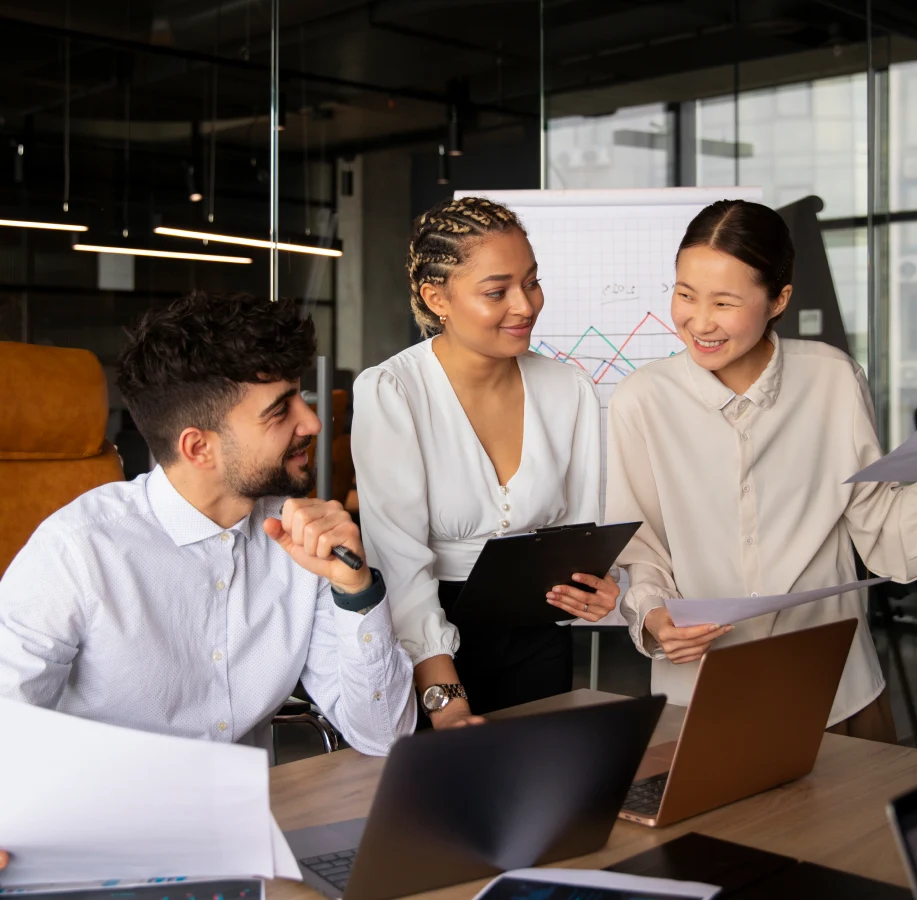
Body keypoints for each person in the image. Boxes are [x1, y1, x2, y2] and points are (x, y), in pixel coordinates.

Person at [606, 199, 917, 742]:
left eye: (724, 302)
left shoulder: (833, 378)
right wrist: (655, 619)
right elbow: (639, 547)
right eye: (684, 295)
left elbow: (878, 519)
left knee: (854, 826)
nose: (699, 322)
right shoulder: (641, 399)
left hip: (835, 686)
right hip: (703, 691)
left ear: (778, 300)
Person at [0, 292, 416, 757]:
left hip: (256, 815)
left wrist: (355, 588)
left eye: (301, 397)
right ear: (199, 448)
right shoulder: (76, 552)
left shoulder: (301, 540)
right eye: (281, 410)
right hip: (103, 820)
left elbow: (385, 736)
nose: (313, 423)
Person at [351, 196, 620, 729]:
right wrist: (445, 697)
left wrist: (594, 587)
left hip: (539, 638)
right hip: (430, 647)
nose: (525, 305)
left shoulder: (569, 389)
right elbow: (398, 560)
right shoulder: (393, 391)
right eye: (497, 292)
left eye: (532, 282)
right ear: (437, 298)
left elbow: (582, 533)